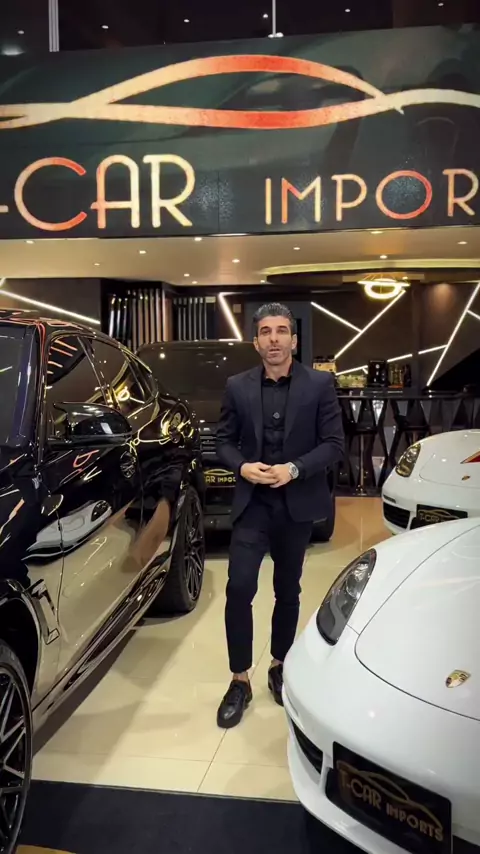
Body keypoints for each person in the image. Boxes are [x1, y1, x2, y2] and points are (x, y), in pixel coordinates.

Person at [215, 302, 344, 728]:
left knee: (288, 589)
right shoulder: (237, 386)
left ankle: (279, 665)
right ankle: (239, 679)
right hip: (253, 504)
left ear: (294, 339)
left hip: (296, 504)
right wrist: (241, 466)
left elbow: (333, 444)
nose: (274, 338)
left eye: (282, 331)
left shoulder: (320, 384)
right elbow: (223, 440)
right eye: (266, 331)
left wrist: (295, 469)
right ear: (256, 341)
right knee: (239, 588)